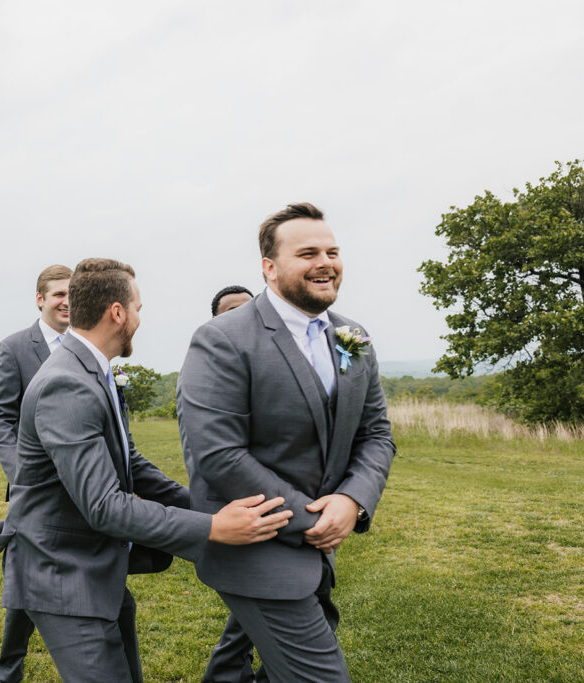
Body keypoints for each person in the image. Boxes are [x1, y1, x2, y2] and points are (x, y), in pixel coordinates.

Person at [1, 258, 293, 683]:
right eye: (138, 307)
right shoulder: (66, 383)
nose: (140, 317)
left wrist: (206, 506)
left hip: (98, 567)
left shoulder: (92, 370)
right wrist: (212, 527)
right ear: (117, 312)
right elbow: (105, 506)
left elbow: (131, 463)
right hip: (62, 576)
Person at [178, 203, 396, 682]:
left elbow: (376, 432)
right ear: (269, 268)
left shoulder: (351, 335)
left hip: (319, 548)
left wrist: (352, 499)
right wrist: (314, 517)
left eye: (332, 251)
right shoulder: (223, 339)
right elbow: (219, 454)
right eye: (308, 253)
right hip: (257, 548)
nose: (325, 262)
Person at [0, 264, 71, 683]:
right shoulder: (15, 347)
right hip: (32, 489)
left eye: (73, 293)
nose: (67, 301)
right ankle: (8, 669)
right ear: (40, 299)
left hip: (88, 486)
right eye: (58, 294)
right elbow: (0, 420)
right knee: (24, 584)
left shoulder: (91, 344)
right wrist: (24, 475)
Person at [200, 284, 257, 683]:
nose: (241, 316)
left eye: (249, 309)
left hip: (287, 501)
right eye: (231, 311)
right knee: (262, 603)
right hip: (234, 505)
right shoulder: (208, 368)